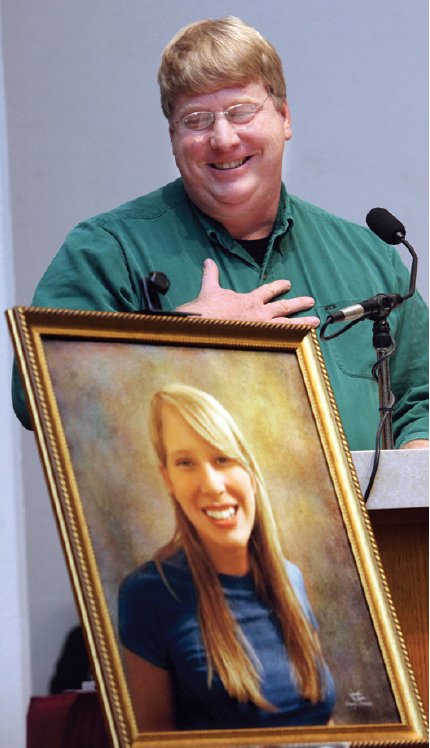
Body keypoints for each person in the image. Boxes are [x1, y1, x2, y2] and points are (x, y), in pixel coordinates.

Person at [12, 17, 428, 451]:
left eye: (241, 111)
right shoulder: (106, 251)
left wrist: (414, 484)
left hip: (363, 519)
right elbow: (36, 395)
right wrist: (188, 338)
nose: (224, 138)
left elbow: (423, 398)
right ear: (173, 138)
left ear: (284, 117)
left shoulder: (370, 257)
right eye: (196, 119)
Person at [118, 383, 336, 731]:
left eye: (222, 458)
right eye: (186, 463)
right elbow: (152, 738)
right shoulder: (148, 593)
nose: (212, 484)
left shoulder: (289, 577)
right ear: (168, 478)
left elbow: (323, 724)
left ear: (249, 470)